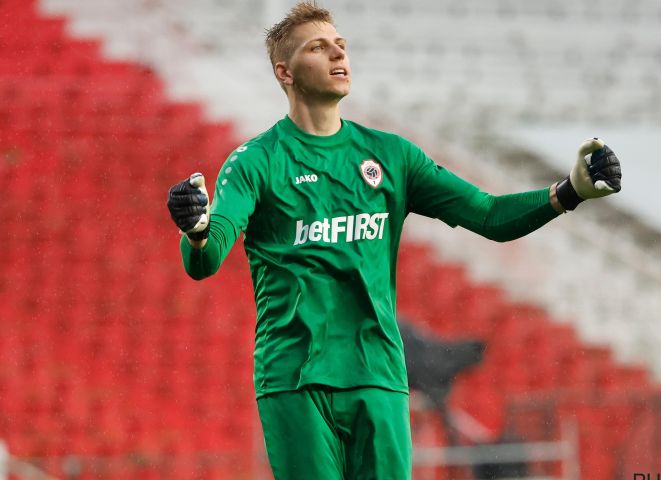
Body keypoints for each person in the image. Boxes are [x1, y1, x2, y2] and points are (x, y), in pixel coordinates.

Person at [165, 3, 621, 479]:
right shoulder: (256, 161)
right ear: (285, 72)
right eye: (318, 48)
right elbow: (208, 254)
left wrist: (567, 192)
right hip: (295, 380)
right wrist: (196, 231)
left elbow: (487, 214)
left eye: (340, 45)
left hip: (378, 376)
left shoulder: (392, 156)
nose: (337, 53)